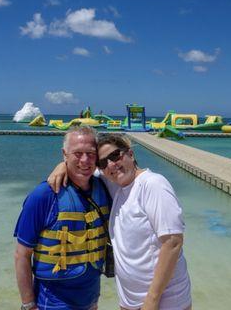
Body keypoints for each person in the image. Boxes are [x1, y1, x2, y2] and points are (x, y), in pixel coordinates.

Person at [49, 133, 192, 310]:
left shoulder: (153, 184)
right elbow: (82, 167)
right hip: (130, 300)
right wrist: (62, 165)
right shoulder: (115, 184)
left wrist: (152, 300)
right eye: (103, 163)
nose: (111, 165)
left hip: (164, 300)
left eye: (115, 156)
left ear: (130, 154)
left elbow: (172, 243)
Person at [14, 126, 111, 310]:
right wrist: (28, 304)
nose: (85, 160)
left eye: (90, 153)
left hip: (91, 297)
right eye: (77, 153)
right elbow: (22, 254)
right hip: (52, 301)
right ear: (64, 154)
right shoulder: (44, 196)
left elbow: (128, 172)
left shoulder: (104, 188)